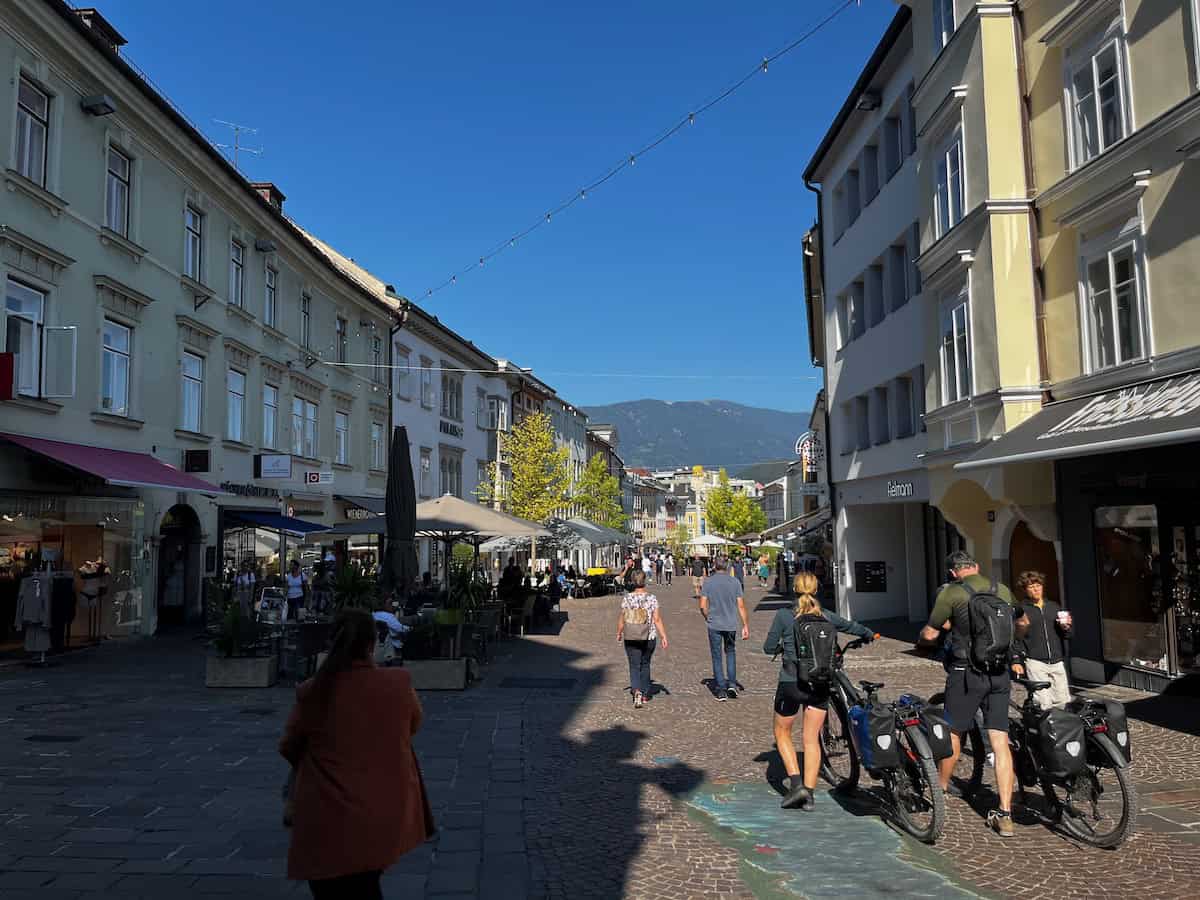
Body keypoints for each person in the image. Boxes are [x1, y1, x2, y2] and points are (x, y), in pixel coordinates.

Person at [279, 609, 433, 898]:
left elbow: (289, 745)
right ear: (372, 645)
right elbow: (413, 724)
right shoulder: (398, 685)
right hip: (381, 811)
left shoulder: (313, 691)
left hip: (324, 814)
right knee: (366, 883)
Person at [919, 551, 1029, 838]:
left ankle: (939, 788)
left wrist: (926, 640)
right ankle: (1005, 813)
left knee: (954, 732)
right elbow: (1023, 622)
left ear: (954, 572)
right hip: (999, 672)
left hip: (965, 673)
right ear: (976, 567)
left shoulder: (952, 593)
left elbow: (931, 634)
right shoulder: (1000, 589)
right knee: (999, 740)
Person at [765, 572, 874, 810]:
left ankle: (796, 785)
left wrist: (783, 646)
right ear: (816, 590)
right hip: (820, 683)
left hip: (791, 683)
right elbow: (851, 626)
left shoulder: (785, 615)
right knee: (811, 738)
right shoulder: (825, 615)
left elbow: (768, 647)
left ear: (794, 590)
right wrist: (868, 634)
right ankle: (810, 794)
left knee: (782, 732)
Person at [1012, 571, 1073, 709]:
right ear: (1025, 590)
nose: (1036, 589)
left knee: (1063, 701)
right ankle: (1044, 729)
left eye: (1038, 585)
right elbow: (1016, 637)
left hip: (1057, 661)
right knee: (1043, 702)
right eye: (1031, 586)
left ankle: (1061, 729)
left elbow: (1067, 635)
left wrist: (1066, 627)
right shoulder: (1021, 610)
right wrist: (1015, 660)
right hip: (1036, 662)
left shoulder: (1054, 607)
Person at [617, 570, 669, 708]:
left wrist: (619, 632)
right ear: (644, 581)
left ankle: (637, 691)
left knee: (634, 665)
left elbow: (622, 617)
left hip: (631, 636)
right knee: (645, 664)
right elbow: (657, 619)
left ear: (633, 582)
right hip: (649, 636)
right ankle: (645, 694)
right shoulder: (652, 598)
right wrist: (663, 635)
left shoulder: (627, 598)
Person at [700, 557, 749, 701]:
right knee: (731, 653)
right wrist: (745, 625)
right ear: (728, 567)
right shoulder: (735, 582)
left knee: (716, 656)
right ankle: (732, 684)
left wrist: (707, 616)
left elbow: (702, 606)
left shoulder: (708, 582)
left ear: (714, 566)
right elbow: (741, 606)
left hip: (714, 623)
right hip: (730, 624)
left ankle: (721, 689)